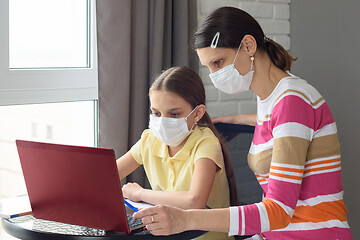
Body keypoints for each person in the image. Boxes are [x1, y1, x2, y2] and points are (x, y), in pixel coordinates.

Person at [133, 7, 353, 239]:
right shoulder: (271, 98)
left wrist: (186, 218)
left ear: (248, 46)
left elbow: (278, 211)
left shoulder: (292, 100)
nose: (214, 75)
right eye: (209, 67)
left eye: (218, 62)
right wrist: (236, 119)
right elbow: (278, 127)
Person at [116, 66, 237, 240]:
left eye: (174, 114)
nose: (162, 122)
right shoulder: (150, 139)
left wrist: (139, 194)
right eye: (156, 113)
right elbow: (106, 177)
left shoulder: (206, 143)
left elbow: (194, 201)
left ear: (197, 113)